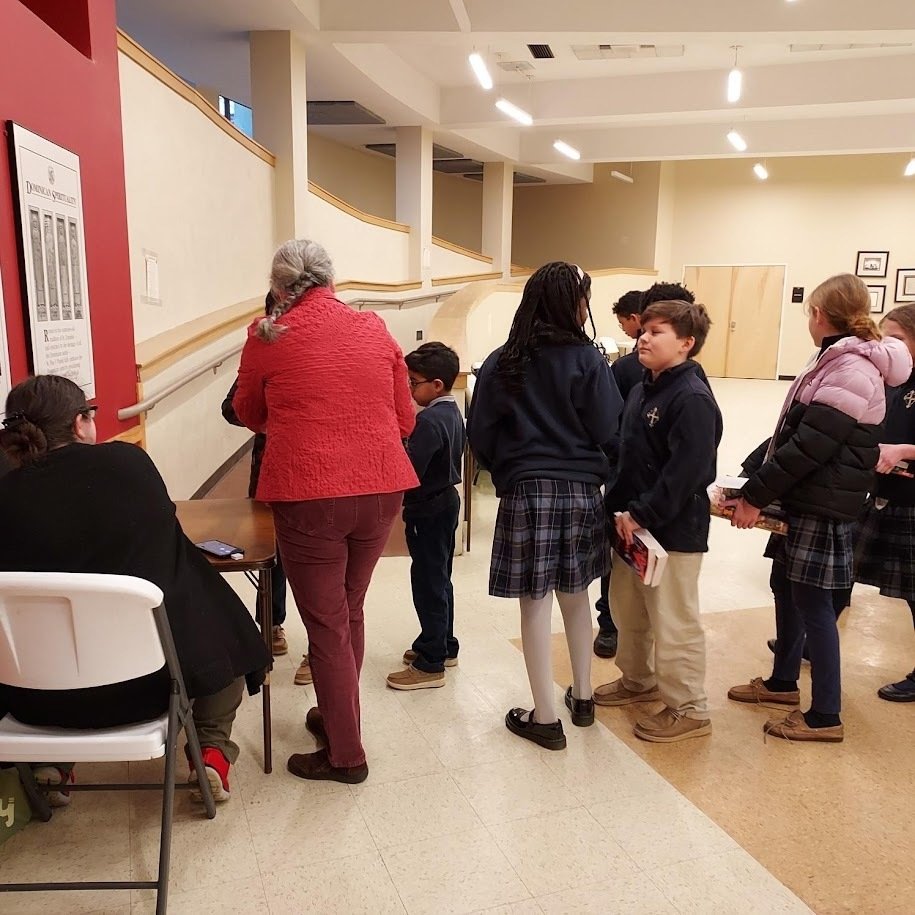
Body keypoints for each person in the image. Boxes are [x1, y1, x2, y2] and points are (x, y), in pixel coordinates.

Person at [0, 375, 270, 802]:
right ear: (80, 423)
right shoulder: (126, 466)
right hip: (149, 689)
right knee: (217, 617)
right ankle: (212, 753)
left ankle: (48, 764)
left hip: (31, 701)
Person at [233, 239, 418, 784]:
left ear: (278, 286)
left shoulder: (268, 336)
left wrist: (293, 422)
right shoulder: (373, 328)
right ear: (330, 279)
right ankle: (336, 716)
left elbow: (247, 411)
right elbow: (405, 418)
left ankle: (346, 755)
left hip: (310, 491)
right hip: (382, 488)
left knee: (327, 624)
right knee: (350, 609)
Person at [727, 274, 912, 742]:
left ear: (818, 314)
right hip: (806, 497)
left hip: (822, 505)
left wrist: (754, 496)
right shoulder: (838, 358)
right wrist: (754, 479)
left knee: (814, 606)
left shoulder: (851, 366)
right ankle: (782, 683)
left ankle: (825, 715)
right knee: (789, 592)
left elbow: (810, 445)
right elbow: (794, 435)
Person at [468, 262, 623, 751]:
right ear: (575, 302)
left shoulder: (503, 360)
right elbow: (608, 429)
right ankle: (583, 697)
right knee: (576, 598)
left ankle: (545, 716)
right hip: (581, 492)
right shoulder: (589, 359)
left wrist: (509, 469)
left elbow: (481, 434)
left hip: (526, 490)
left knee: (534, 605)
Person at [593, 299, 721, 743]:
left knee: (674, 620)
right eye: (644, 329)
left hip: (671, 530)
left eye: (658, 332)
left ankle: (689, 707)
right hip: (631, 527)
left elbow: (687, 473)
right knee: (629, 611)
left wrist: (643, 512)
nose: (644, 337)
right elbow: (627, 456)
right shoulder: (646, 387)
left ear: (686, 343)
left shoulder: (692, 398)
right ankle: (637, 680)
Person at [222, 293, 310, 687]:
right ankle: (271, 627)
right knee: (267, 554)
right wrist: (267, 412)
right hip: (270, 471)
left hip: (316, 475)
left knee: (315, 562)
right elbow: (232, 407)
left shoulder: (327, 347)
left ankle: (318, 650)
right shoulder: (264, 347)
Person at [386, 342, 466, 691]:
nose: (409, 388)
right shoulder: (452, 412)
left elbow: (409, 470)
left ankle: (431, 662)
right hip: (447, 502)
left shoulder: (429, 421)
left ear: (436, 385)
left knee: (427, 582)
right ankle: (443, 643)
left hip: (427, 509)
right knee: (440, 577)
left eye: (413, 382)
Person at [852, 304, 915, 702]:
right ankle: (809, 642)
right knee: (845, 567)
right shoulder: (893, 379)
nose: (890, 345)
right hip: (881, 491)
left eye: (900, 338)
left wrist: (905, 449)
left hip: (911, 499)